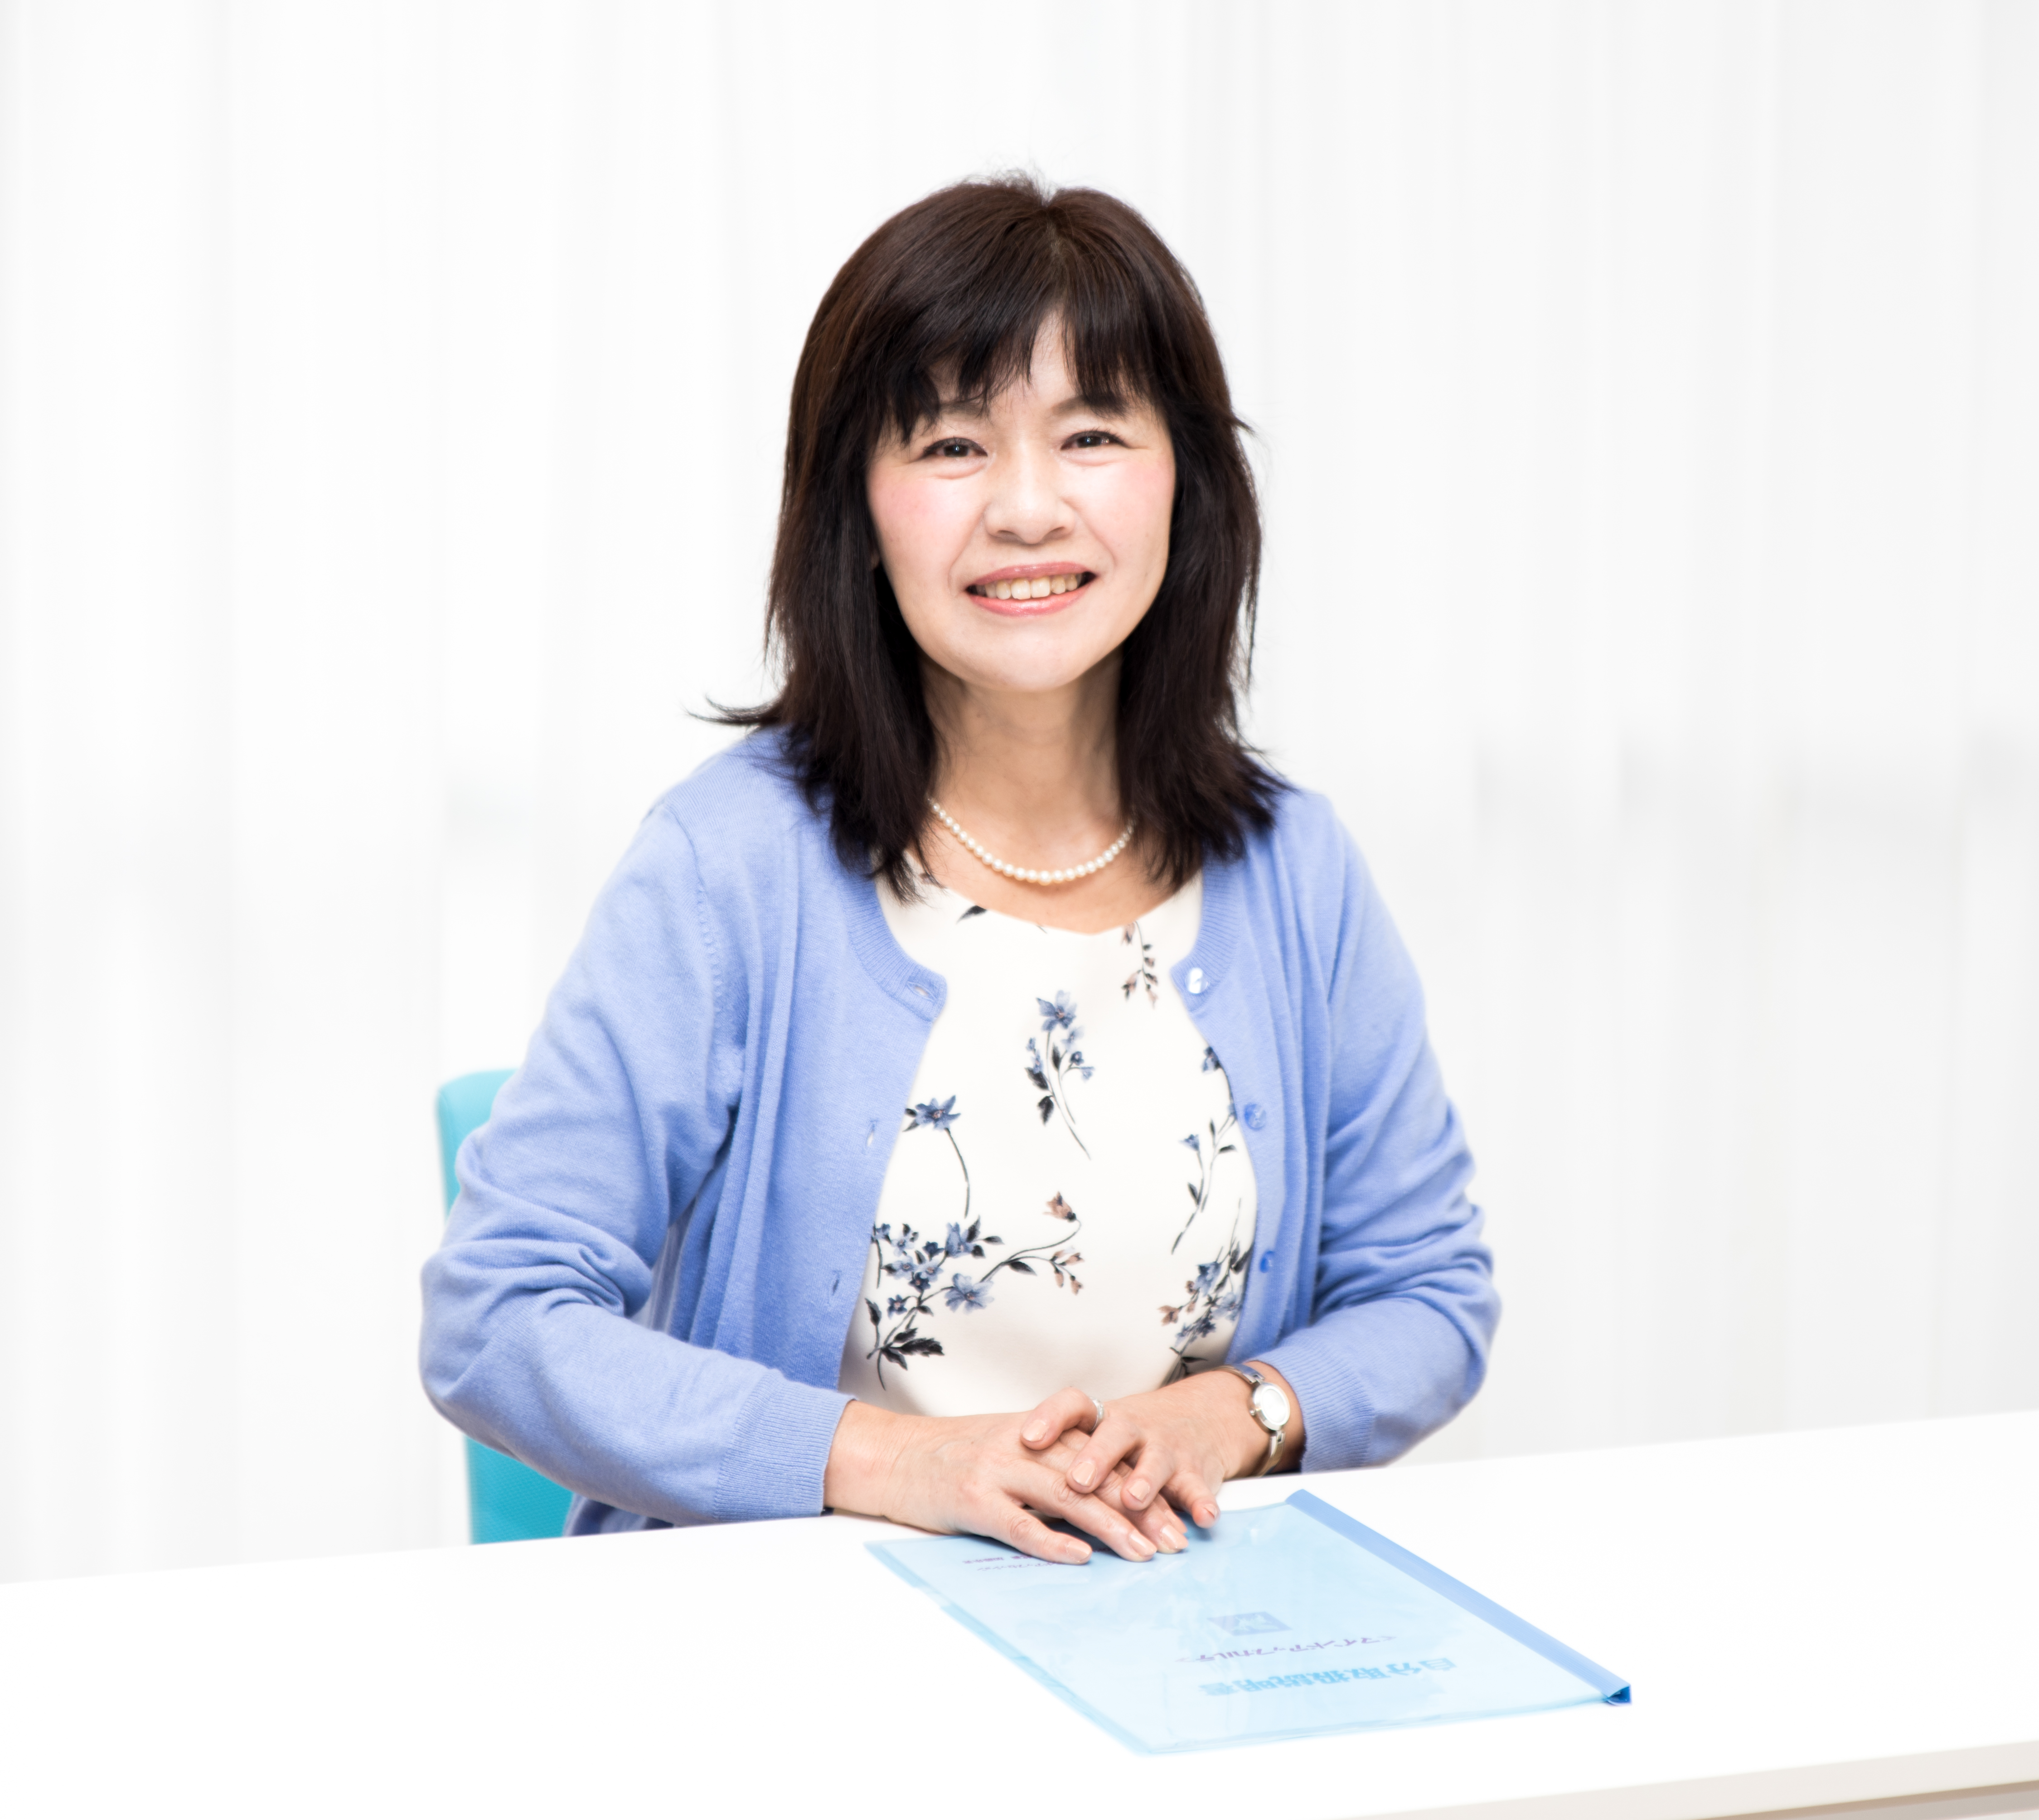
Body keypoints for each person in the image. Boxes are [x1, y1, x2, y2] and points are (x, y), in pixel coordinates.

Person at [420, 174, 1495, 1566]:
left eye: (1093, 433)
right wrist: (897, 1461)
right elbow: (497, 1317)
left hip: (1168, 1622)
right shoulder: (729, 867)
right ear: (858, 508)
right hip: (804, 1634)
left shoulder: (1297, 870)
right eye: (951, 445)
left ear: (1187, 482)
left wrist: (1229, 1416)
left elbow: (1429, 1292)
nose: (1029, 507)